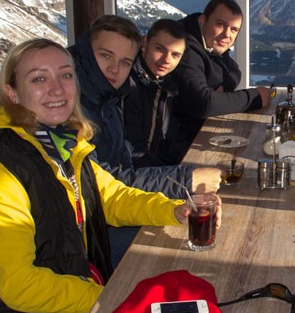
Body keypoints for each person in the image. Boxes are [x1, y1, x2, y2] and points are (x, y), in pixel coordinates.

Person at [0, 38, 212, 313]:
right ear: (12, 93)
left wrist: (172, 209)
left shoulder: (59, 143)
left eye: (65, 75)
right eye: (38, 79)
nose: (58, 89)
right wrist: (109, 296)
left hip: (61, 304)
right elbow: (19, 286)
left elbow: (110, 195)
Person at [70, 15, 220, 265]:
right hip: (89, 233)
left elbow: (118, 177)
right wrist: (184, 178)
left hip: (112, 208)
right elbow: (106, 188)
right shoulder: (76, 109)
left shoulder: (110, 98)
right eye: (105, 55)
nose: (114, 69)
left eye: (124, 61)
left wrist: (175, 199)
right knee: (179, 254)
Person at [171, 0, 273, 154]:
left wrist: (221, 89)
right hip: (176, 144)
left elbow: (234, 71)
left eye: (233, 30)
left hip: (193, 130)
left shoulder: (208, 39)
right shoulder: (185, 47)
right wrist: (254, 98)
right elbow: (202, 105)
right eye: (220, 24)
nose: (226, 35)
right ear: (203, 20)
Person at [124, 18, 188, 166]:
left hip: (154, 171)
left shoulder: (166, 87)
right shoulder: (128, 86)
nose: (166, 60)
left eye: (175, 55)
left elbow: (171, 140)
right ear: (145, 43)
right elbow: (135, 153)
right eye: (159, 49)